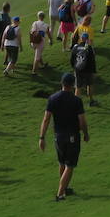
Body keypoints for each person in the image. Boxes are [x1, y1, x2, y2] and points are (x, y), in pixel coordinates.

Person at [39, 73, 89, 201]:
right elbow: (82, 121)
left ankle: (65, 188)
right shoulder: (76, 100)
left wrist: (42, 138)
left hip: (58, 136)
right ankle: (60, 193)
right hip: (72, 136)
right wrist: (85, 133)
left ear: (62, 83)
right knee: (70, 165)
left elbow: (46, 119)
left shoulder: (53, 98)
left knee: (62, 162)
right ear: (73, 85)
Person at [69, 27, 98, 107]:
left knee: (78, 87)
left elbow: (72, 59)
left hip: (78, 69)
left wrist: (74, 67)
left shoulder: (75, 47)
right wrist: (94, 71)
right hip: (88, 70)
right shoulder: (89, 48)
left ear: (81, 39)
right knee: (89, 85)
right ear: (87, 39)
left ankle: (75, 104)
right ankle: (91, 101)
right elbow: (92, 61)